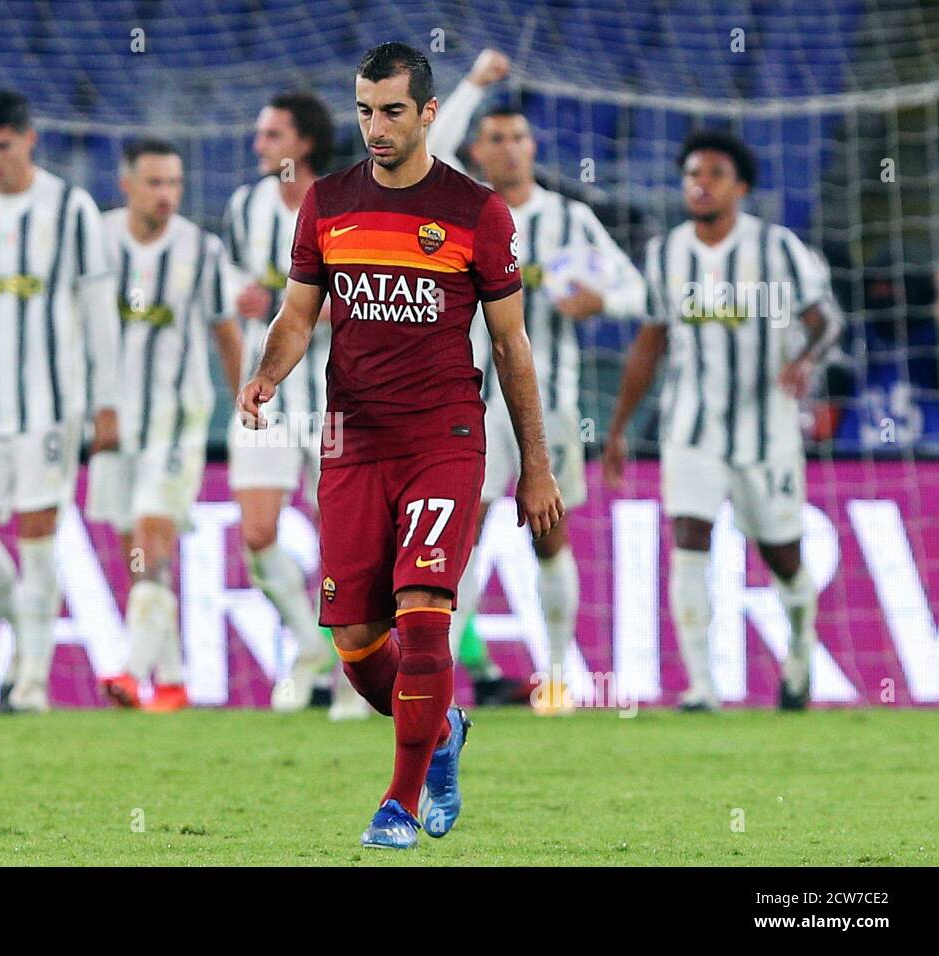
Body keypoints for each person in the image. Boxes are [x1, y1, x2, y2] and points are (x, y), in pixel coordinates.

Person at [238, 43, 562, 849]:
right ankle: (444, 728)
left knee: (424, 613)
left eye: (391, 111)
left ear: (427, 113)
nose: (375, 128)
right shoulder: (327, 203)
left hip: (445, 438)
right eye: (363, 111)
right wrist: (267, 373)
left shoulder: (478, 212)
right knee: (355, 644)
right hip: (350, 441)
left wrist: (537, 466)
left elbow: (513, 348)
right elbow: (299, 315)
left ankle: (399, 801)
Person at [428, 49, 647, 712]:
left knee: (549, 533)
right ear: (478, 150)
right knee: (461, 538)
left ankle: (556, 677)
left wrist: (599, 302)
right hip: (469, 401)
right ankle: (439, 682)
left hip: (547, 406)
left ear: (533, 146)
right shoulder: (460, 211)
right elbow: (429, 148)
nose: (511, 148)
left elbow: (636, 290)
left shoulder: (568, 221)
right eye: (496, 139)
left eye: (520, 137)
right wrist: (470, 84)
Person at [603, 129, 842, 711]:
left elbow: (826, 320)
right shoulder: (666, 253)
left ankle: (801, 655)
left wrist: (805, 363)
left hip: (769, 433)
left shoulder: (778, 247)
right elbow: (650, 343)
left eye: (712, 174)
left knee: (782, 555)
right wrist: (618, 429)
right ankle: (701, 686)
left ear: (740, 187)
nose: (699, 184)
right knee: (689, 541)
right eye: (691, 174)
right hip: (691, 429)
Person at [0, 90, 120, 714]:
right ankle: (28, 635)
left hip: (51, 405)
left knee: (38, 537)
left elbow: (98, 314)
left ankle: (32, 681)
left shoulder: (71, 209)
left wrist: (106, 403)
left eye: (2, 146)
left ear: (29, 140)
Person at [224, 92, 369, 719]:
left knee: (347, 540)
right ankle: (309, 648)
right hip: (270, 397)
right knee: (257, 533)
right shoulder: (244, 208)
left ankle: (354, 675)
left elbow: (372, 295)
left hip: (337, 396)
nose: (260, 147)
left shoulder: (343, 204)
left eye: (272, 135)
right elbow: (231, 287)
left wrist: (305, 309)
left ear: (304, 143)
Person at [88, 139, 244, 711]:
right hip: (112, 422)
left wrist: (249, 399)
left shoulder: (200, 251)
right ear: (127, 184)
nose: (167, 195)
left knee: (152, 532)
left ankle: (130, 672)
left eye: (175, 183)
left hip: (177, 420)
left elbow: (226, 332)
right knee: (137, 551)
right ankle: (173, 681)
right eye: (154, 183)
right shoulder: (96, 243)